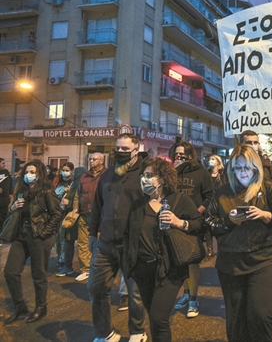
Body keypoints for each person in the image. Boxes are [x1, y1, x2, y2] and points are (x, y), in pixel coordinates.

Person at [206, 145, 272, 342]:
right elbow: (209, 223)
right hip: (230, 264)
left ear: (256, 168)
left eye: (248, 167)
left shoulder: (269, 188)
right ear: (232, 169)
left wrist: (266, 215)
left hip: (263, 261)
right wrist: (228, 220)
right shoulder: (222, 192)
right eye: (238, 167)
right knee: (236, 320)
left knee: (261, 314)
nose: (243, 172)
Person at [124, 158, 204, 342]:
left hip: (169, 270)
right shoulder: (138, 204)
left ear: (163, 178)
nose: (145, 179)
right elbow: (129, 235)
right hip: (142, 270)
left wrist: (179, 223)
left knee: (159, 319)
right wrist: (128, 264)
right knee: (154, 317)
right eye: (143, 175)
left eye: (149, 175)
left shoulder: (179, 200)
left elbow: (200, 225)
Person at [88, 134, 148, 342]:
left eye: (125, 149)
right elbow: (97, 205)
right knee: (95, 288)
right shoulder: (107, 175)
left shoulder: (145, 173)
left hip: (133, 244)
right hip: (105, 244)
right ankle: (106, 333)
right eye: (118, 148)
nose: (120, 152)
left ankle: (138, 331)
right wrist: (91, 233)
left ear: (136, 150)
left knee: (135, 294)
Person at [4, 161, 63, 324]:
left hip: (38, 236)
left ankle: (41, 307)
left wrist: (44, 233)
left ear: (40, 174)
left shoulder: (46, 192)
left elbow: (56, 214)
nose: (29, 175)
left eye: (33, 172)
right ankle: (20, 307)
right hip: (20, 235)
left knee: (38, 274)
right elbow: (11, 211)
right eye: (27, 172)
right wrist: (14, 206)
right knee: (10, 271)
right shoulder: (20, 190)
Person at [172, 141, 214, 319]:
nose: (180, 157)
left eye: (183, 155)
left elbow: (210, 195)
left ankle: (193, 299)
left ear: (191, 156)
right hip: (174, 222)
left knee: (192, 261)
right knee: (179, 260)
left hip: (194, 223)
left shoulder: (201, 173)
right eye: (177, 154)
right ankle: (186, 293)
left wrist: (197, 213)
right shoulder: (172, 172)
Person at [75, 153, 106, 282]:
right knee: (82, 243)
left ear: (102, 161)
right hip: (84, 214)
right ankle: (86, 270)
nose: (91, 161)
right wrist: (75, 208)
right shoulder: (84, 177)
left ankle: (99, 270)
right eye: (90, 159)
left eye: (94, 159)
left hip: (100, 216)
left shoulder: (107, 176)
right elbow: (78, 193)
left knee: (99, 244)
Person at [57, 166, 87, 278]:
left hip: (75, 218)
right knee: (68, 242)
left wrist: (68, 202)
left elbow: (79, 201)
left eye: (74, 172)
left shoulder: (80, 185)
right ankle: (68, 266)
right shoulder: (74, 184)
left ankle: (72, 267)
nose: (71, 174)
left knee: (76, 243)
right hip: (71, 217)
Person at [53, 162, 74, 276]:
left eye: (67, 170)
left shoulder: (74, 183)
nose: (65, 172)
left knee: (64, 239)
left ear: (72, 171)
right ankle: (60, 260)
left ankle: (64, 263)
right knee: (56, 240)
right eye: (63, 170)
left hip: (66, 214)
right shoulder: (57, 181)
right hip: (56, 213)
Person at [0, 157, 13, 229]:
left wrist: (11, 193)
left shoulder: (6, 172)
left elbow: (10, 183)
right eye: (3, 163)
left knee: (4, 217)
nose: (4, 165)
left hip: (5, 199)